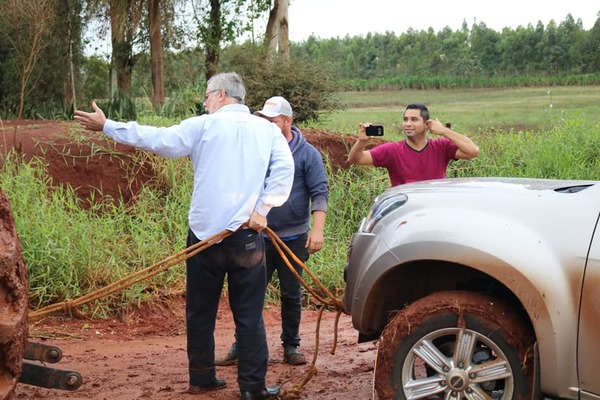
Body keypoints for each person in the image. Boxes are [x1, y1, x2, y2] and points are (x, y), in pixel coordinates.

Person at [73, 72, 294, 400]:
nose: (204, 101)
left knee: (199, 311)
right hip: (246, 238)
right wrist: (263, 209)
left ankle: (202, 378)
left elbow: (157, 138)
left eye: (207, 95)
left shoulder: (202, 126)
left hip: (203, 238)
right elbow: (284, 170)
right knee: (249, 316)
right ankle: (252, 388)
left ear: (221, 95)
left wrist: (108, 126)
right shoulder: (267, 130)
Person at [216, 96, 329, 367]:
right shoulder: (257, 149)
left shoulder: (307, 153)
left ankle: (291, 345)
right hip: (257, 236)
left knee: (291, 294)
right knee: (250, 293)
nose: (267, 125)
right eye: (263, 120)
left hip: (293, 238)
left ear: (288, 121)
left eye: (273, 120)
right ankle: (242, 344)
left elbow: (319, 192)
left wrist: (317, 231)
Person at [347, 103, 479, 186]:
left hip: (435, 205)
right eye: (405, 120)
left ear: (427, 124)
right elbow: (355, 159)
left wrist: (444, 131)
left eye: (414, 119)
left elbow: (472, 151)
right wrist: (361, 141)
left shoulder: (441, 147)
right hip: (405, 209)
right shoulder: (392, 150)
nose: (408, 124)